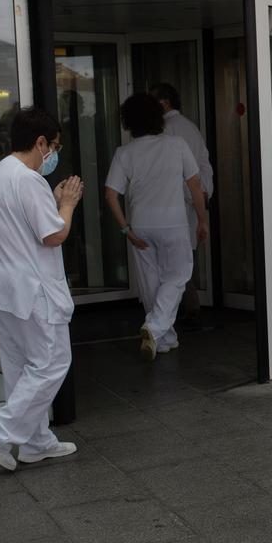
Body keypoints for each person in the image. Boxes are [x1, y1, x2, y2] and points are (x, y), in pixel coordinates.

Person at [0, 107, 84, 470]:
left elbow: (23, 227)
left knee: (21, 367)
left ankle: (37, 441)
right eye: (53, 146)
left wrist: (52, 203)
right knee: (51, 363)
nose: (53, 154)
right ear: (40, 143)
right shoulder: (27, 179)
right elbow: (54, 234)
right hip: (32, 290)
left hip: (3, 288)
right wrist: (67, 204)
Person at [104, 94, 208, 360]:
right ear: (158, 118)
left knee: (151, 282)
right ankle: (154, 327)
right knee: (178, 276)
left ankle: (164, 339)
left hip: (140, 225)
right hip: (173, 222)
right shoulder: (177, 145)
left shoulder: (124, 153)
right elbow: (195, 186)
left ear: (128, 123)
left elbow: (110, 195)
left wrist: (126, 229)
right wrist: (202, 219)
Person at [149, 83, 213, 320]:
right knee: (185, 262)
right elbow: (203, 167)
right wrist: (203, 197)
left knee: (174, 267)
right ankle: (186, 311)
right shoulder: (191, 127)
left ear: (164, 103)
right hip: (192, 202)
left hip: (174, 206)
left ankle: (183, 313)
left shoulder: (166, 130)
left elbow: (170, 173)